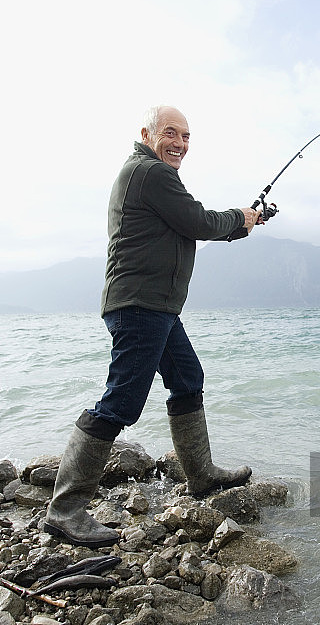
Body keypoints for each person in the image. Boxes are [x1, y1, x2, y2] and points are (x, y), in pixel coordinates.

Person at [44, 105, 261, 548]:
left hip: (154, 307)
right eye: (171, 133)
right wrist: (240, 217)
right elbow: (196, 220)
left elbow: (188, 225)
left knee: (187, 379)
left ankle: (201, 475)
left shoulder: (146, 175)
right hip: (140, 305)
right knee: (121, 401)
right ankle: (65, 511)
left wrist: (241, 226)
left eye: (186, 136)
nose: (180, 143)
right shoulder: (151, 173)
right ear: (147, 133)